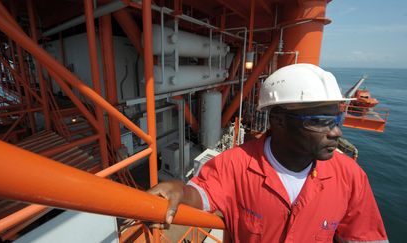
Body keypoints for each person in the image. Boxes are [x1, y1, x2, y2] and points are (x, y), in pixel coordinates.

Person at [149, 64, 388, 242]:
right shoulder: (235, 165)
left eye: (338, 119)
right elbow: (200, 195)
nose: (336, 132)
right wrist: (178, 189)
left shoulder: (351, 177)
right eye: (319, 121)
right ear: (279, 121)